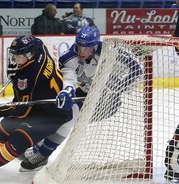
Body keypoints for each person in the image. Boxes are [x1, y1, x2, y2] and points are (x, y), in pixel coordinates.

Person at [20, 26, 143, 172]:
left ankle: (42, 154)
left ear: (95, 45)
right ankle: (38, 148)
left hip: (107, 101)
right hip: (84, 93)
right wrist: (67, 91)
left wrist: (121, 86)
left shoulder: (110, 53)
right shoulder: (68, 57)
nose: (82, 52)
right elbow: (69, 79)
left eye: (87, 48)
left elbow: (137, 71)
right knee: (57, 115)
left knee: (68, 118)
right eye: (80, 47)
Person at [0, 35, 73, 182]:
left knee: (20, 137)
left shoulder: (29, 76)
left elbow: (21, 109)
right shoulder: (40, 47)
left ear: (30, 54)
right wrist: (18, 68)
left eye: (19, 57)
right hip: (40, 104)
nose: (15, 59)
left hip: (53, 114)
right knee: (5, 125)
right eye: (14, 55)